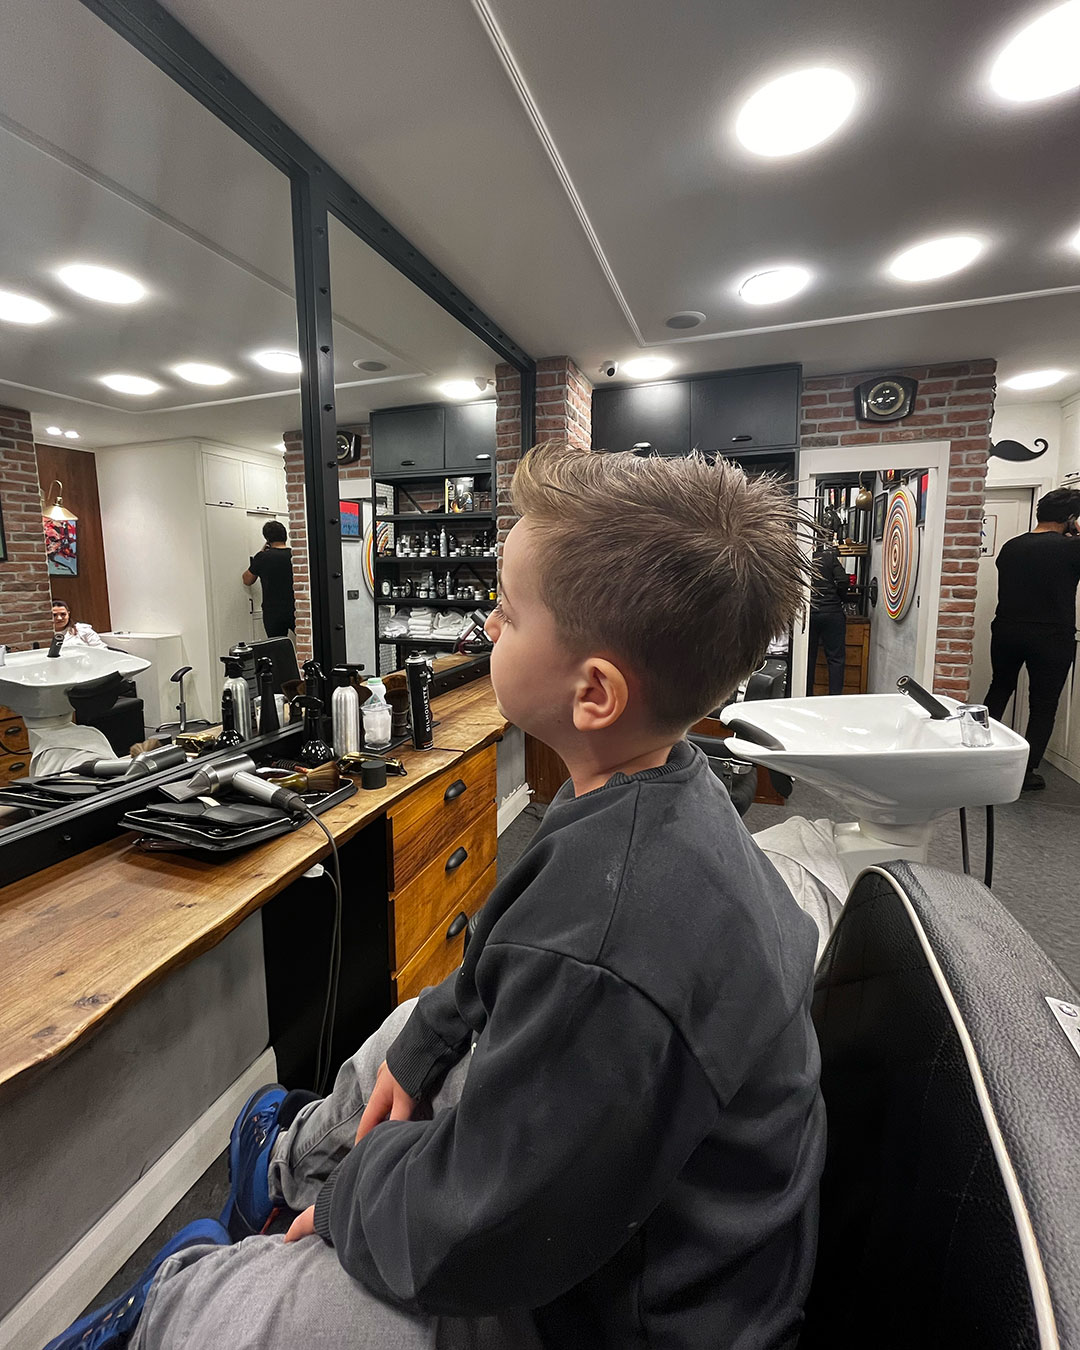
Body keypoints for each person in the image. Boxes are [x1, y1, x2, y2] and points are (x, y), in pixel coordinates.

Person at [50, 445, 824, 1350]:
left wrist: (350, 1208)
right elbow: (501, 952)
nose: (487, 625)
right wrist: (426, 1047)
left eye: (508, 612)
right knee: (407, 1028)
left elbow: (486, 1226)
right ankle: (288, 1167)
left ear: (594, 693)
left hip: (627, 1318)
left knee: (230, 1310)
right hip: (596, 1213)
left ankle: (183, 1293)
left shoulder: (614, 943)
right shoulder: (648, 793)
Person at [985, 486, 1080, 791]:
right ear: (1070, 518)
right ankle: (1025, 773)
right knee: (1043, 704)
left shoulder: (1011, 546)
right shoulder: (1072, 548)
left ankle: (978, 753)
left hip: (1007, 629)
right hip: (1052, 635)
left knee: (999, 688)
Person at [806, 543, 849, 695]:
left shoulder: (801, 560)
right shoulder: (829, 558)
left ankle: (806, 695)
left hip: (809, 613)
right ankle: (834, 698)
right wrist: (840, 597)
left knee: (807, 658)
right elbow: (843, 580)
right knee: (836, 659)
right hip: (832, 612)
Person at [242, 520, 295, 638]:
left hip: (272, 611)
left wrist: (261, 551)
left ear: (267, 539)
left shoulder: (262, 557)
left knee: (276, 645)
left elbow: (247, 580)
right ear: (285, 536)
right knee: (308, 642)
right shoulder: (295, 556)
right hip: (296, 608)